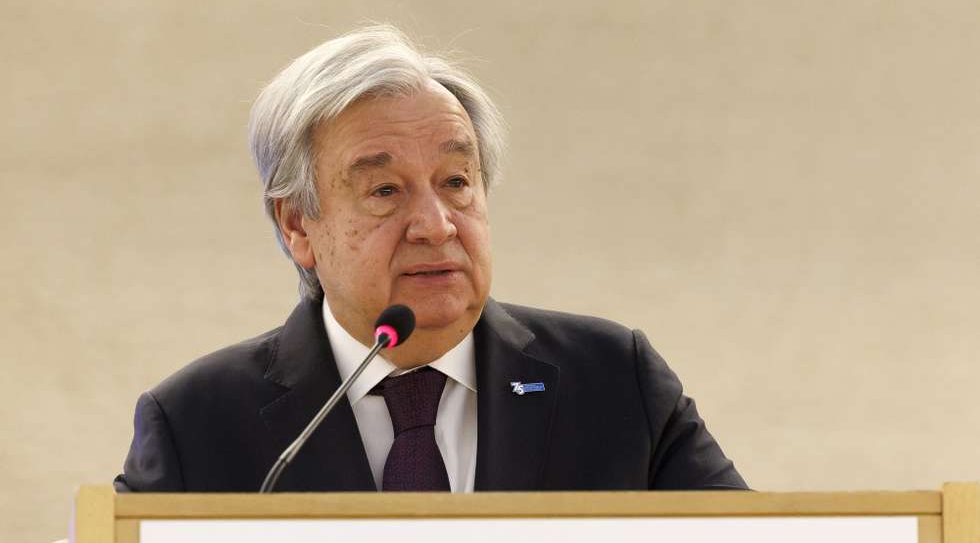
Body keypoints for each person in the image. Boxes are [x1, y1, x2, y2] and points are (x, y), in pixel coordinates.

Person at [114, 25, 747, 493]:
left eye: (456, 181)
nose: (437, 225)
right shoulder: (196, 424)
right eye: (385, 191)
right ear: (297, 223)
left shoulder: (614, 382)